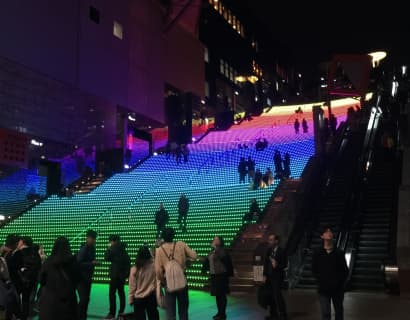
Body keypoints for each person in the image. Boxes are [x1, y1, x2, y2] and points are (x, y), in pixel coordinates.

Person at [155, 227, 197, 320]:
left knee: (170, 312)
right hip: (182, 279)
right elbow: (194, 256)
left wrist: (163, 281)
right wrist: (186, 259)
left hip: (168, 281)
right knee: (183, 310)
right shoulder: (180, 244)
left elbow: (158, 271)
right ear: (173, 235)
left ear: (163, 237)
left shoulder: (159, 250)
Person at [38, 236, 80, 320]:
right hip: (68, 302)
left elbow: (41, 280)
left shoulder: (48, 262)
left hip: (50, 303)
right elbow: (78, 279)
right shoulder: (73, 262)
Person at [312, 226, 348, 320]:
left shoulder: (339, 253)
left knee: (339, 313)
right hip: (323, 289)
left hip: (337, 289)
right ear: (322, 236)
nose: (329, 233)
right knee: (325, 313)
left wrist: (340, 283)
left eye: (330, 231)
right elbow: (314, 269)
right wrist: (320, 281)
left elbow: (345, 270)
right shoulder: (318, 253)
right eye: (326, 231)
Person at [8, 236, 41, 320]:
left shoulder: (18, 253)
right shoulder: (35, 253)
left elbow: (11, 268)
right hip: (31, 281)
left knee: (15, 299)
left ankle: (17, 315)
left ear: (22, 242)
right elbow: (39, 267)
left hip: (18, 282)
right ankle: (25, 317)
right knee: (26, 300)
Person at [201, 236, 234, 320]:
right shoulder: (213, 251)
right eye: (214, 239)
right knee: (217, 296)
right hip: (214, 276)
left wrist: (216, 248)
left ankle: (223, 314)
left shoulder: (222, 250)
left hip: (221, 275)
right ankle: (219, 312)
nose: (214, 240)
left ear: (220, 242)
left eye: (216, 239)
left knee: (222, 295)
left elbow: (224, 259)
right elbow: (208, 260)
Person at [104, 235, 131, 320]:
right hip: (122, 276)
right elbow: (128, 261)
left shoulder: (113, 248)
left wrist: (108, 248)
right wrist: (126, 274)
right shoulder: (123, 249)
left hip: (115, 275)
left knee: (112, 294)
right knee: (121, 293)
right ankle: (121, 313)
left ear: (113, 241)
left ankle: (112, 313)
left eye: (110, 241)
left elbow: (106, 258)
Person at [129, 245, 159, 320]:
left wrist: (131, 299)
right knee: (153, 317)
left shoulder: (135, 269)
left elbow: (132, 286)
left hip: (138, 299)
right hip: (151, 297)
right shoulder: (155, 266)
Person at [263, 234, 288, 320]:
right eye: (269, 239)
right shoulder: (269, 251)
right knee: (270, 296)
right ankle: (273, 313)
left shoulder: (282, 251)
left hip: (277, 277)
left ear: (276, 241)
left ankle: (283, 314)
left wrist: (277, 265)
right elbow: (266, 263)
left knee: (277, 296)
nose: (269, 241)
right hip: (269, 277)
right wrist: (265, 275)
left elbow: (284, 265)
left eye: (271, 240)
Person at [76, 229, 98, 320]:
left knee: (86, 299)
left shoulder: (92, 248)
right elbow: (78, 263)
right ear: (87, 238)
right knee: (84, 299)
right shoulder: (84, 249)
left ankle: (82, 316)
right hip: (81, 279)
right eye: (92, 238)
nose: (93, 240)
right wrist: (91, 264)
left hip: (88, 278)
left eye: (94, 238)